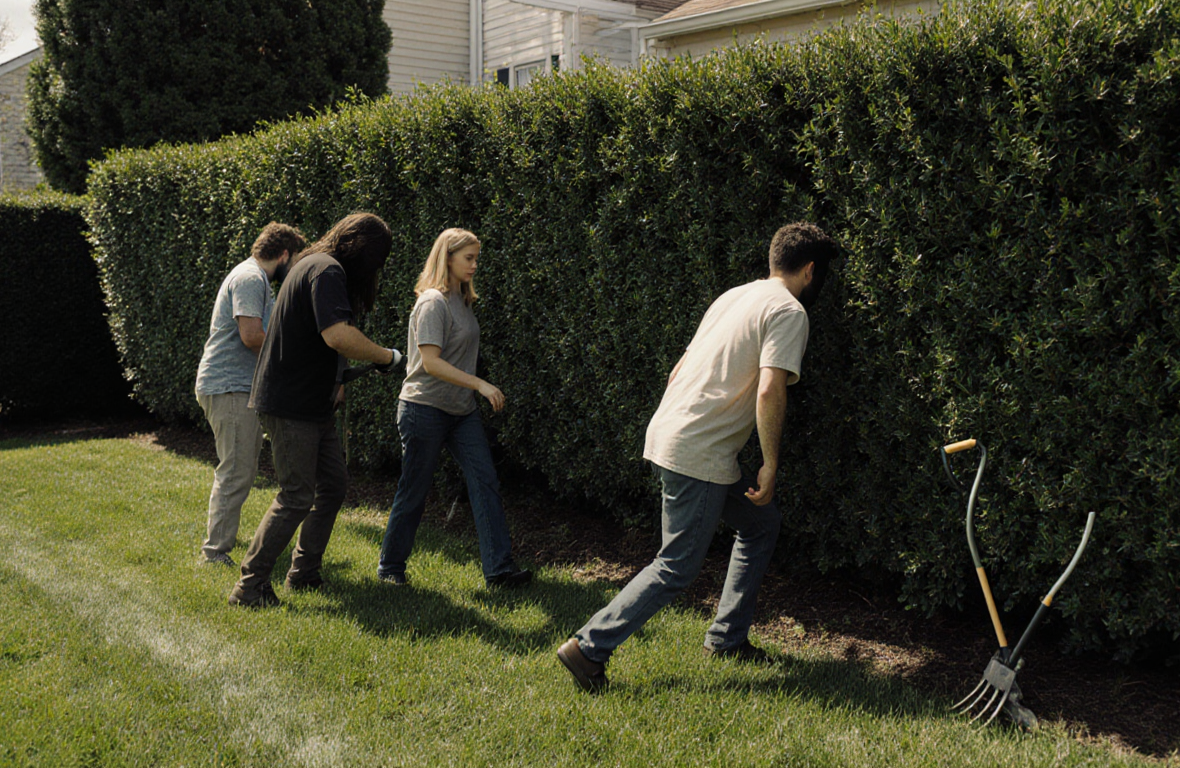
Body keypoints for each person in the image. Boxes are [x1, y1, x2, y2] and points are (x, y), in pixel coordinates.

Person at [557, 222, 841, 691]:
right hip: (699, 448)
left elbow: (678, 370)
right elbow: (770, 389)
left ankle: (727, 638)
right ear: (811, 270)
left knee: (760, 523)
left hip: (676, 431)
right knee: (678, 565)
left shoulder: (734, 296)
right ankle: (588, 647)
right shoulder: (789, 311)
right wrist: (770, 463)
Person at [228, 212, 403, 607]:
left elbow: (318, 338)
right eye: (377, 261)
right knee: (296, 495)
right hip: (291, 404)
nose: (375, 271)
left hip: (310, 401)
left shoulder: (312, 263)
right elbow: (337, 334)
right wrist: (387, 357)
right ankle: (249, 586)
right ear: (361, 251)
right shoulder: (326, 270)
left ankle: (303, 573)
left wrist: (336, 382)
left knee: (333, 485)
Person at [377, 228, 532, 589]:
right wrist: (479, 383)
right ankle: (390, 569)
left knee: (485, 481)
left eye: (477, 258)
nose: (475, 265)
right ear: (447, 257)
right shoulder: (433, 302)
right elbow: (430, 362)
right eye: (469, 258)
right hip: (424, 408)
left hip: (460, 412)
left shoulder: (462, 300)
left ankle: (499, 571)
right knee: (414, 489)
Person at [194, 222, 307, 566]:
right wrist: (296, 356)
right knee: (237, 470)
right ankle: (214, 553)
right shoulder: (250, 278)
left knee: (239, 466)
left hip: (235, 386)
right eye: (297, 261)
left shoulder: (255, 279)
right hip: (229, 386)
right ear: (284, 254)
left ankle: (223, 538)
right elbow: (251, 335)